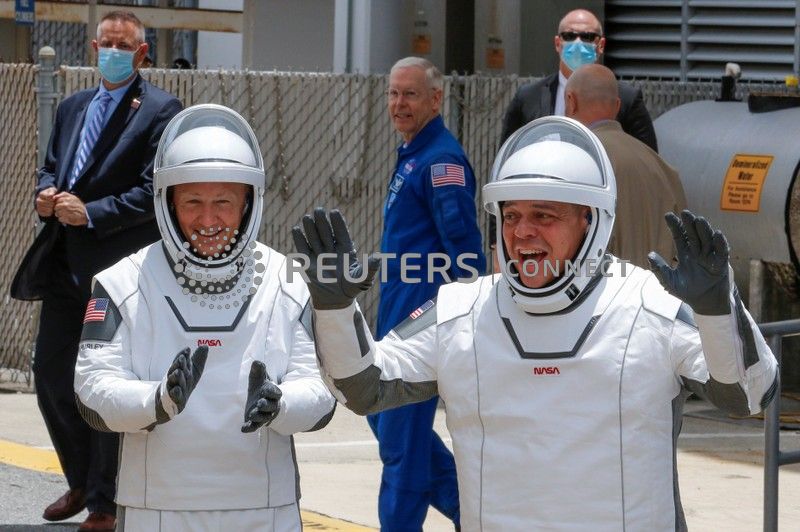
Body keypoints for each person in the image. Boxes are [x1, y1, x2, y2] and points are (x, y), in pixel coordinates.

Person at [293, 115, 778, 530]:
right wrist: (334, 308)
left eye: (545, 215)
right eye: (511, 215)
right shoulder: (461, 310)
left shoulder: (647, 303)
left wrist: (719, 307)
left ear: (591, 221)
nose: (522, 231)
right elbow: (363, 387)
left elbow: (749, 394)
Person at [73, 104, 336, 531]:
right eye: (193, 202)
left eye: (224, 203)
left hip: (263, 507)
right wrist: (157, 400)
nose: (209, 219)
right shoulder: (121, 283)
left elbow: (321, 394)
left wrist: (280, 404)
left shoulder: (287, 282)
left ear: (248, 203)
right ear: (168, 202)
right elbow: (91, 390)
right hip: (156, 507)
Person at [10, 10, 182, 531]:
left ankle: (106, 503)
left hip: (115, 269)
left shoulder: (159, 109)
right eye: (105, 42)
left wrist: (93, 212)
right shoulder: (71, 107)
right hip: (64, 263)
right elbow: (52, 165)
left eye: (122, 45)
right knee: (51, 377)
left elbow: (156, 191)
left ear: (142, 53)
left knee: (104, 382)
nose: (111, 51)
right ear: (92, 46)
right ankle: (80, 479)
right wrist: (44, 193)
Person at [368, 56, 485, 530]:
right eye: (394, 93)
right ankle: (476, 514)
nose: (399, 103)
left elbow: (464, 248)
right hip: (397, 315)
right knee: (389, 428)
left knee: (401, 444)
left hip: (422, 321)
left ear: (435, 99)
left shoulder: (441, 161)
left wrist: (461, 315)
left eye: (410, 94)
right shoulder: (414, 152)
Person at [565, 63, 687, 268]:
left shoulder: (577, 161)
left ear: (571, 101)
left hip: (602, 292)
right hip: (659, 294)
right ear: (618, 106)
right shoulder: (661, 166)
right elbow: (684, 245)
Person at [499, 8, 657, 151]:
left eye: (587, 37)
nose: (577, 42)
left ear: (600, 45)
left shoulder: (627, 98)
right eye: (569, 36)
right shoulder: (528, 96)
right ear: (557, 43)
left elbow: (647, 157)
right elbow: (507, 152)